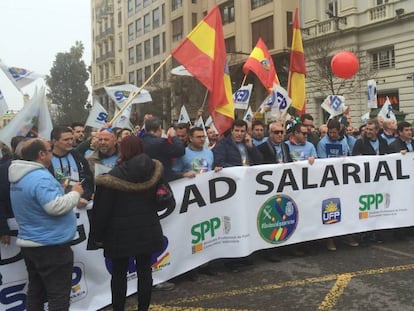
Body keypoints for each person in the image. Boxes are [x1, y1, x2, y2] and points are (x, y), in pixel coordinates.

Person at [89, 136, 166, 311]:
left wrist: (98, 236)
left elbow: (102, 211)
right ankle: (143, 308)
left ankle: (119, 308)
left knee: (119, 275)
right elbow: (163, 198)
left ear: (123, 150)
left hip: (119, 233)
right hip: (147, 228)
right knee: (145, 272)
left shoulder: (112, 176)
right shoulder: (155, 170)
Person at [8, 138, 84, 311]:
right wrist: (75, 194)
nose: (51, 153)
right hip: (51, 245)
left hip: (32, 243)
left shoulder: (19, 176)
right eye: (49, 150)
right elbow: (55, 207)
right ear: (41, 154)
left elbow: (38, 201)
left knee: (36, 291)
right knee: (58, 295)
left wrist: (61, 192)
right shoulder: (40, 176)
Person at [50, 126, 94, 204]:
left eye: (71, 139)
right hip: (55, 203)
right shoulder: (47, 159)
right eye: (66, 140)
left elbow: (88, 179)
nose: (70, 142)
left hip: (79, 204)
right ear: (54, 141)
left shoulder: (77, 156)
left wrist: (85, 197)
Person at [141, 117, 185, 182]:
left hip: (145, 179)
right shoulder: (161, 142)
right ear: (159, 128)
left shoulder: (140, 142)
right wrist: (174, 136)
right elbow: (180, 151)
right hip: (161, 179)